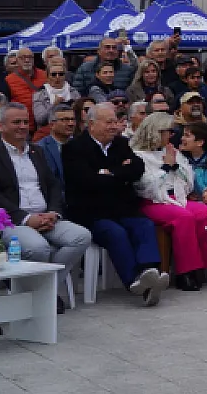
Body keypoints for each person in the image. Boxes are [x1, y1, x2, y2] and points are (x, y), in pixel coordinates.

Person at [62, 102, 171, 305]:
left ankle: (150, 273)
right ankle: (135, 281)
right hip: (91, 211)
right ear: (91, 124)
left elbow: (137, 169)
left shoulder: (121, 144)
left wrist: (108, 173)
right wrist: (119, 174)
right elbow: (87, 181)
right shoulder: (74, 148)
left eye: (116, 121)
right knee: (115, 233)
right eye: (108, 122)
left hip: (123, 207)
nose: (114, 126)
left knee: (144, 225)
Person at [0, 102, 92, 273]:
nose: (23, 127)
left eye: (25, 122)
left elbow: (53, 184)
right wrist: (26, 218)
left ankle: (48, 287)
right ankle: (44, 292)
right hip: (11, 221)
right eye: (16, 122)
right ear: (1, 126)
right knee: (38, 248)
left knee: (81, 236)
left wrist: (53, 213)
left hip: (45, 217)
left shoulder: (37, 151)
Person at [129, 113, 207, 291]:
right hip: (152, 202)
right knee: (183, 218)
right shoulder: (138, 155)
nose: (172, 135)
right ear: (156, 132)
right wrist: (166, 167)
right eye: (169, 131)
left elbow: (188, 182)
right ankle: (186, 273)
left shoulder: (171, 151)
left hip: (177, 197)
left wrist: (175, 166)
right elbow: (145, 187)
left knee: (204, 212)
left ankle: (205, 267)